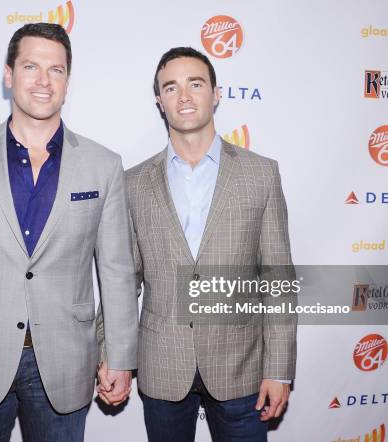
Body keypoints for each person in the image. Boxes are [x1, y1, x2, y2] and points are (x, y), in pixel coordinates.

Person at [0, 23, 138, 442]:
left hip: (66, 360)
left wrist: (121, 357)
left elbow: (117, 271)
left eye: (56, 70)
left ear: (68, 81)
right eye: (31, 66)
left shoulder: (102, 164)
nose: (43, 81)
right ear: (8, 74)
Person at [99, 47, 297, 441]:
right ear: (160, 101)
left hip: (241, 368)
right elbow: (122, 281)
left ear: (216, 93)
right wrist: (112, 355)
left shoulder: (261, 174)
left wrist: (279, 368)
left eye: (195, 84)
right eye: (171, 87)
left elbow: (277, 279)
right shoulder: (133, 183)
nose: (184, 96)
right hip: (162, 365)